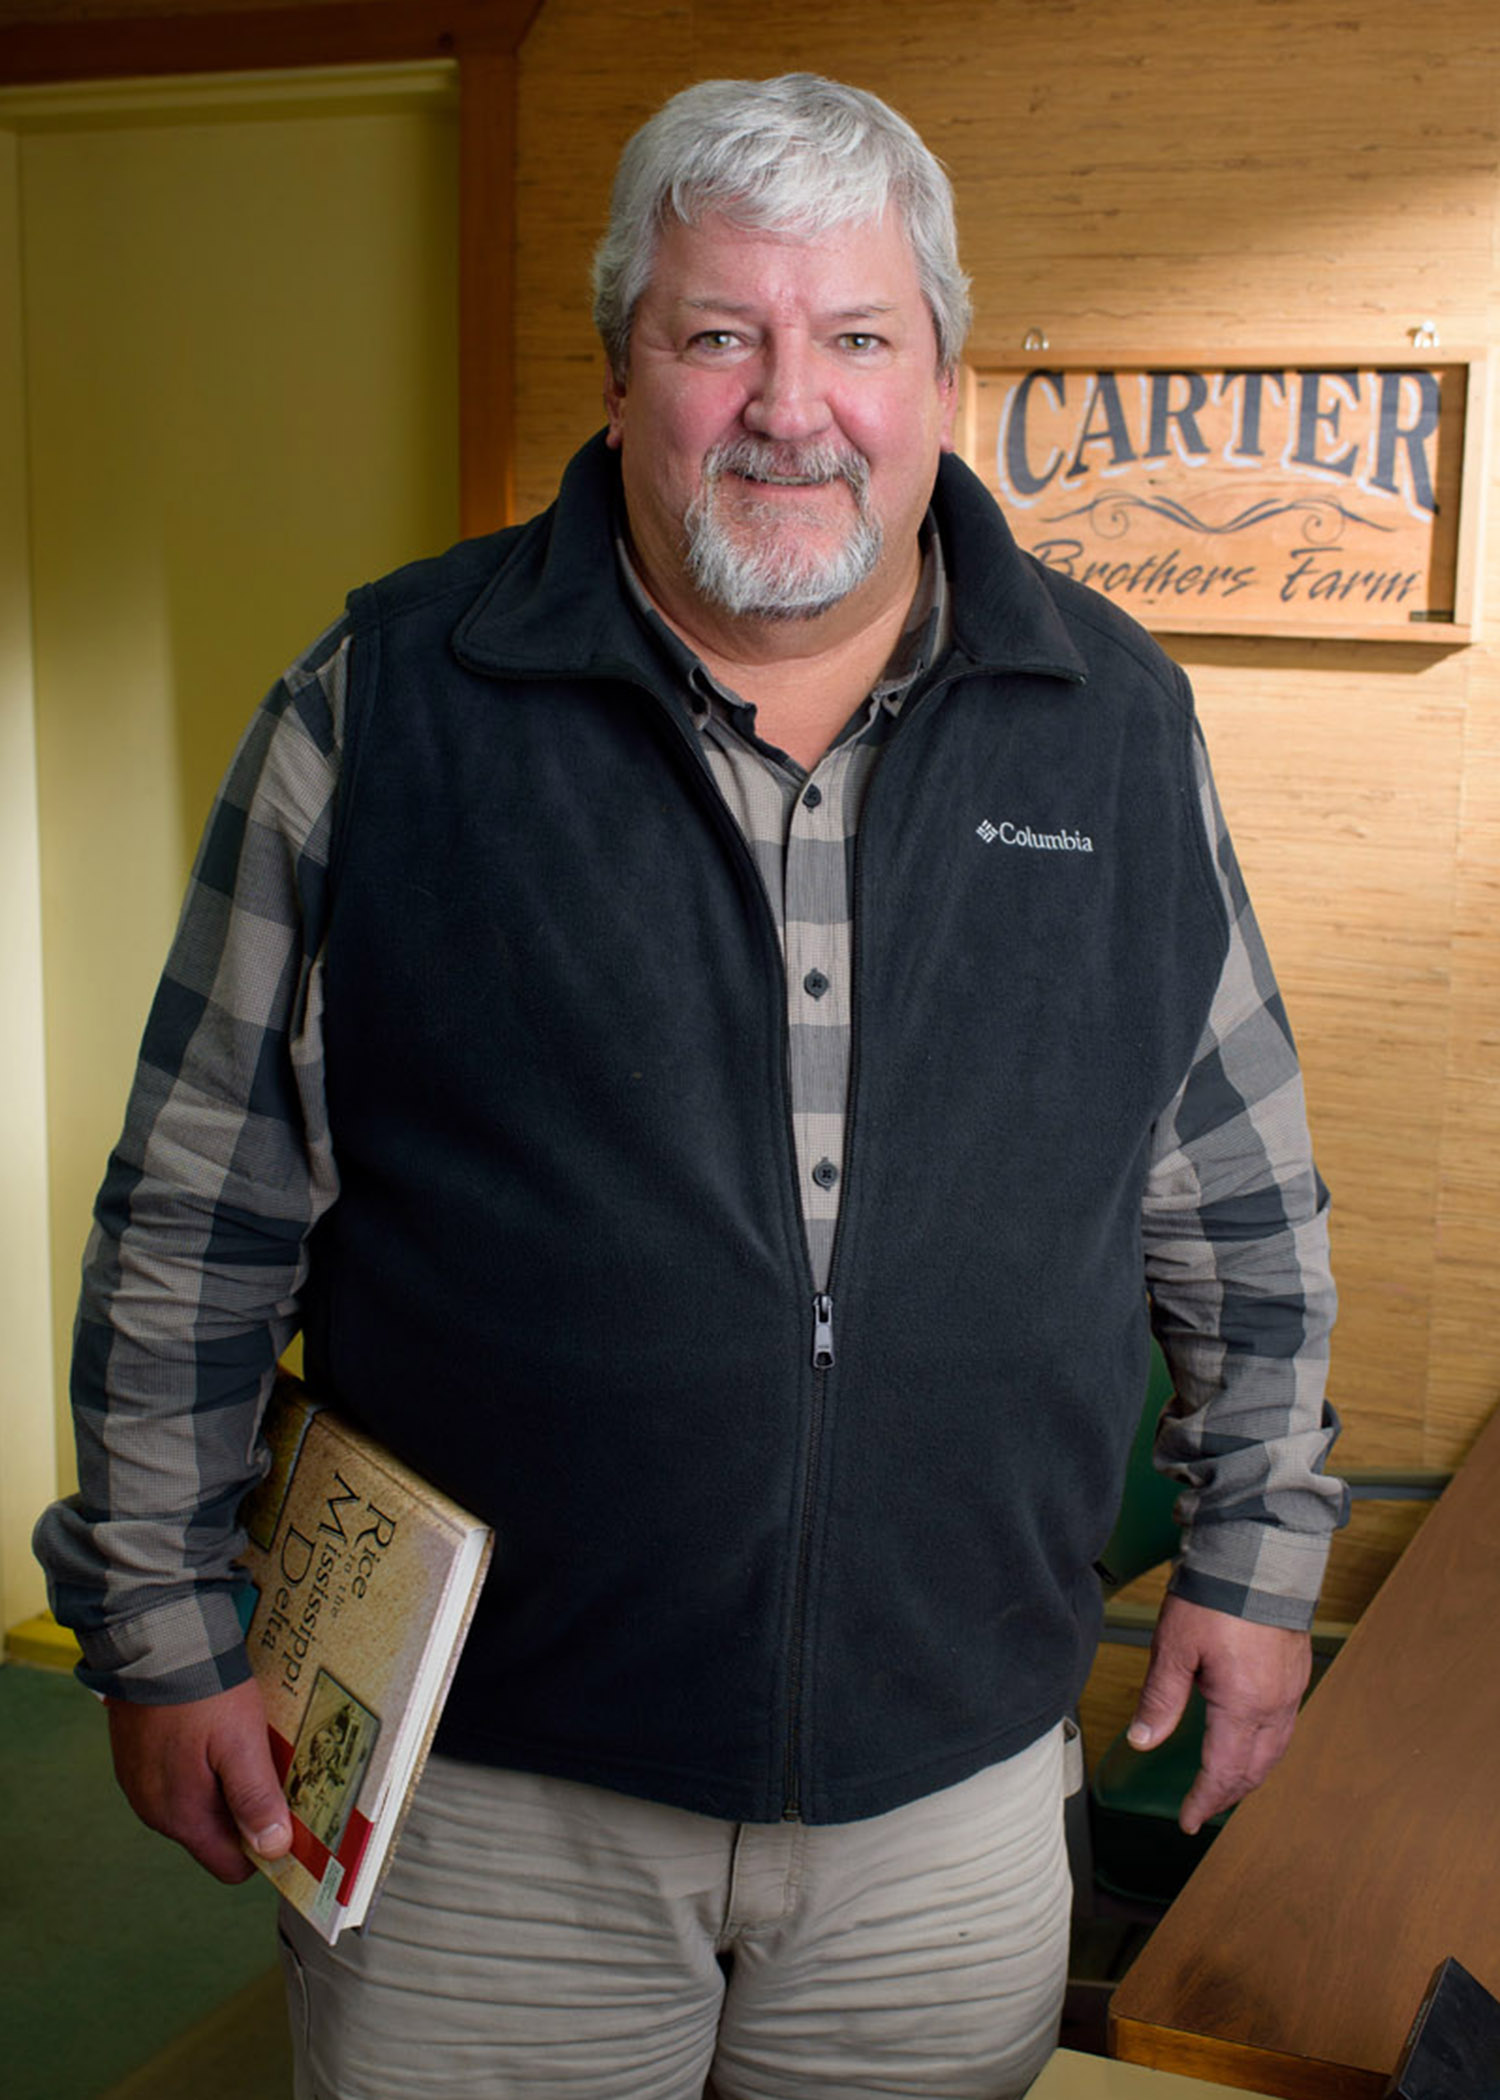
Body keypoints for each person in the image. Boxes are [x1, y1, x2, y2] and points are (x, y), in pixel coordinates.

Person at [35, 72, 1344, 2100]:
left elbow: (1238, 1207)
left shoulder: (1117, 727)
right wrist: (162, 1622)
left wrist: (1259, 1569)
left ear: (943, 370)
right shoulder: (385, 706)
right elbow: (195, 1216)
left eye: (855, 338)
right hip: (486, 1807)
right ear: (622, 362)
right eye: (720, 333)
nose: (789, 404)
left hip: (953, 1792)